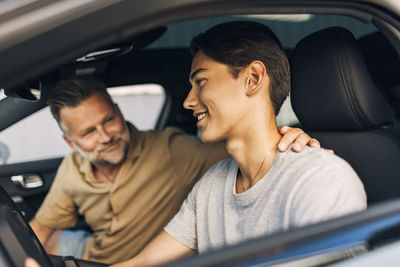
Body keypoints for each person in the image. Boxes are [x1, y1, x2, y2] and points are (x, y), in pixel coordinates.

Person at [112, 21, 367, 267]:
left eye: (200, 82)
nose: (188, 101)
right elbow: (141, 263)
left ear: (253, 78)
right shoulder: (212, 184)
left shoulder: (322, 180)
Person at [29, 75, 319, 264]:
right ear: (70, 141)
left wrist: (291, 139)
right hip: (91, 254)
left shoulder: (174, 150)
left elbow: (254, 152)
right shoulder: (72, 167)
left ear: (119, 111)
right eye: (88, 132)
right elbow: (42, 227)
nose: (105, 136)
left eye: (108, 120)